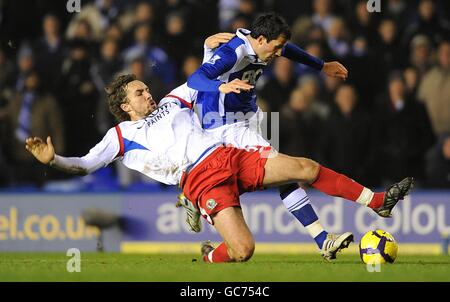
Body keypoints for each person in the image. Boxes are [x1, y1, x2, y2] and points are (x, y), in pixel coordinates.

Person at [25, 74, 413, 263]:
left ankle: (375, 201)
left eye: (146, 88)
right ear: (125, 105)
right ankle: (212, 254)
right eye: (140, 92)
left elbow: (202, 76)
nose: (148, 93)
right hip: (200, 179)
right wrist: (53, 161)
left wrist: (222, 83)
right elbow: (84, 165)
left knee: (304, 167)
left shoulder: (174, 100)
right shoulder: (120, 135)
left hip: (229, 155)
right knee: (243, 250)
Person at [175, 13, 350, 259]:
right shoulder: (235, 51)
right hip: (224, 125)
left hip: (240, 120)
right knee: (285, 172)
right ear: (261, 39)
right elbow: (195, 79)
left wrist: (322, 66)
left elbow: (289, 50)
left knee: (282, 175)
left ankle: (322, 239)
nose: (279, 52)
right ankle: (322, 239)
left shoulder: (257, 41)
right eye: (276, 46)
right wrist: (221, 86)